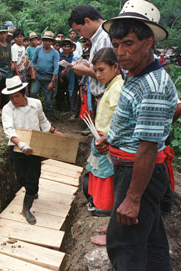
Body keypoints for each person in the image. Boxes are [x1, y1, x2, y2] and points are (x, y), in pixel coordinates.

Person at [95, 1, 177, 270]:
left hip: (137, 172)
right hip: (135, 168)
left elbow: (147, 148)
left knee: (124, 245)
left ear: (148, 41)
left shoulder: (151, 85)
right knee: (152, 241)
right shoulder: (137, 72)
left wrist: (132, 199)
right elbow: (156, 117)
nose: (121, 52)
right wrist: (116, 137)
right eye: (116, 45)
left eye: (128, 43)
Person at [1, 76, 63, 224]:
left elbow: (42, 120)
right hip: (17, 148)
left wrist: (53, 132)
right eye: (11, 97)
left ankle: (26, 208)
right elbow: (9, 130)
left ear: (24, 93)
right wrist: (21, 145)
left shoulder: (36, 104)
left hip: (35, 146)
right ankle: (31, 191)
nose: (14, 100)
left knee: (33, 177)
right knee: (21, 177)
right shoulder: (7, 109)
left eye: (17, 96)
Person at [84, 48, 123, 245]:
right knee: (101, 175)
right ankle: (105, 211)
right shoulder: (111, 85)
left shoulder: (117, 87)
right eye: (95, 70)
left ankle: (107, 212)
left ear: (115, 67)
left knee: (107, 177)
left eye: (101, 70)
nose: (97, 75)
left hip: (108, 141)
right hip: (103, 138)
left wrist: (108, 137)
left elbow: (120, 119)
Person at [68, 5, 112, 116]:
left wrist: (85, 71)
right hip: (102, 98)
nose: (80, 34)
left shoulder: (105, 38)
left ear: (87, 21)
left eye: (79, 30)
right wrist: (87, 65)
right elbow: (101, 67)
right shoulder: (97, 38)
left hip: (108, 99)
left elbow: (109, 75)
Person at [30, 31, 59, 119]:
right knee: (33, 92)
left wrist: (52, 81)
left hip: (48, 77)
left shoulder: (55, 53)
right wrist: (33, 73)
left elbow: (56, 68)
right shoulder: (38, 49)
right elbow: (32, 62)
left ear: (52, 42)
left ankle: (49, 116)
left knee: (48, 99)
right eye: (45, 40)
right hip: (38, 75)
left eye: (49, 41)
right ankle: (33, 112)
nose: (47, 42)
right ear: (43, 41)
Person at [58, 38, 77, 119]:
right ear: (62, 47)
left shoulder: (73, 56)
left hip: (71, 76)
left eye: (68, 47)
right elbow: (57, 68)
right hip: (61, 76)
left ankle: (73, 111)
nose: (66, 48)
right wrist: (59, 77)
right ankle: (61, 109)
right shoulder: (59, 56)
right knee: (61, 93)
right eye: (65, 46)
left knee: (72, 92)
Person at [11, 28, 27, 93]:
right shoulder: (14, 47)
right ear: (14, 38)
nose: (20, 38)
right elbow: (14, 62)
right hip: (16, 72)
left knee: (25, 89)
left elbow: (24, 60)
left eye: (21, 37)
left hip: (22, 71)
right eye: (17, 37)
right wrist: (18, 74)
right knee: (16, 90)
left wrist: (24, 70)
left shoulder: (23, 48)